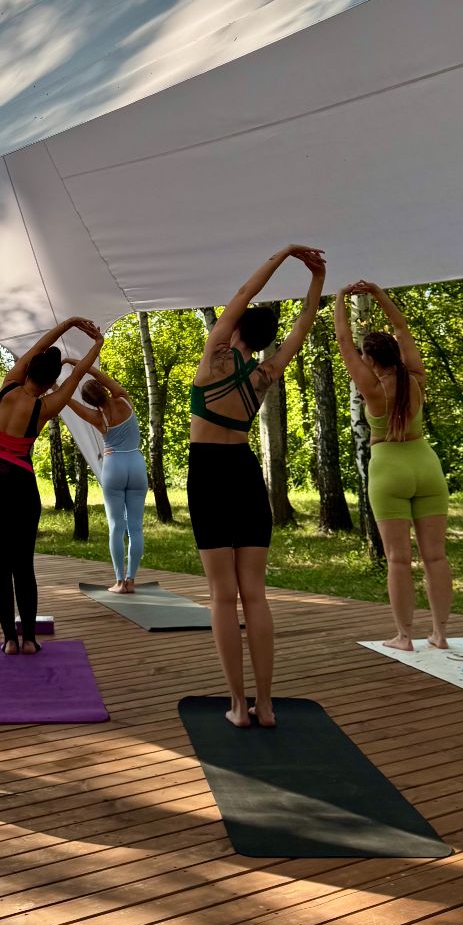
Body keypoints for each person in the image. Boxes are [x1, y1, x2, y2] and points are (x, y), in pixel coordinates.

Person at [188, 245, 326, 728]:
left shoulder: (216, 358)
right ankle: (265, 706)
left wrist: (283, 254)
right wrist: (316, 279)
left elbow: (246, 291)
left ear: (237, 328)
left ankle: (237, 706)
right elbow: (303, 324)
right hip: (245, 474)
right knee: (255, 594)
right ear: (266, 339)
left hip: (208, 474)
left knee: (222, 596)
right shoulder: (267, 373)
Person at [0, 317, 104, 655]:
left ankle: (9, 640)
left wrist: (69, 323)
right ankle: (30, 640)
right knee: (23, 565)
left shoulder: (8, 385)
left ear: (29, 368)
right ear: (49, 384)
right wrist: (97, 345)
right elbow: (77, 375)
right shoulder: (46, 406)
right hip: (20, 486)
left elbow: (39, 347)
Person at [334, 281, 451, 651]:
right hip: (426, 465)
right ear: (396, 354)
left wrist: (340, 297)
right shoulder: (414, 377)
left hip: (388, 470)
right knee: (436, 557)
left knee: (398, 560)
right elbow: (401, 327)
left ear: (370, 360)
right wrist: (378, 293)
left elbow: (343, 341)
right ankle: (440, 634)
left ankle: (404, 636)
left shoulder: (371, 387)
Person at [65, 366, 147, 592]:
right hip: (136, 464)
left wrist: (54, 386)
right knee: (135, 528)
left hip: (114, 467)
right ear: (103, 389)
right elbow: (100, 375)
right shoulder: (124, 399)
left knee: (116, 527)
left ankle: (120, 582)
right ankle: (131, 580)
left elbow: (69, 402)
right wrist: (78, 362)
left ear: (90, 402)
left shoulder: (97, 416)